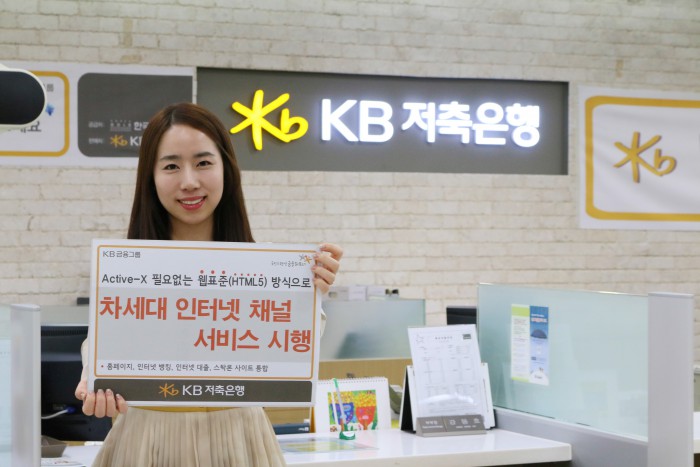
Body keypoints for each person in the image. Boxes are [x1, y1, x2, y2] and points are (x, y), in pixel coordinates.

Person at [74, 102, 343, 466]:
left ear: (226, 169)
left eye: (203, 162)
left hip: (240, 440)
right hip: (147, 441)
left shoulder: (266, 268)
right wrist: (94, 378)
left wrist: (311, 297)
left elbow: (288, 356)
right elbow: (104, 339)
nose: (189, 181)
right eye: (171, 166)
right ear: (150, 177)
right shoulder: (127, 268)